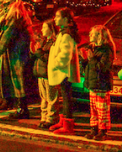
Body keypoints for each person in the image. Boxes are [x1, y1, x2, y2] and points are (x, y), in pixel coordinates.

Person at [0, 0, 34, 120]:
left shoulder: (15, 14)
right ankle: (20, 108)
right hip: (16, 51)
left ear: (14, 1)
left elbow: (8, 34)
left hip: (17, 52)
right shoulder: (11, 13)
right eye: (4, 2)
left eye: (8, 2)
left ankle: (22, 109)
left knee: (18, 80)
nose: (5, 4)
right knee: (17, 79)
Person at [48, 8, 80, 136]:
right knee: (64, 97)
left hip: (64, 72)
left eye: (57, 16)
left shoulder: (66, 35)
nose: (54, 19)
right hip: (62, 72)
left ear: (65, 19)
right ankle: (63, 121)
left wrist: (54, 64)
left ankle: (68, 125)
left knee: (66, 98)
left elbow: (65, 56)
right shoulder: (63, 33)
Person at [81, 25, 114, 141]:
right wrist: (83, 60)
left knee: (102, 109)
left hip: (101, 84)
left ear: (99, 35)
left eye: (92, 34)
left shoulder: (106, 50)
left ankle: (103, 131)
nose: (89, 36)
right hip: (93, 84)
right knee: (93, 109)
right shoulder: (93, 48)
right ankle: (94, 129)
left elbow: (103, 68)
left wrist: (92, 58)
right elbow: (90, 66)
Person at [33, 19, 58, 129]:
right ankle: (44, 117)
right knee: (43, 97)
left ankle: (51, 119)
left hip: (49, 74)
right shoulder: (44, 41)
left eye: (44, 27)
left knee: (51, 97)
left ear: (51, 29)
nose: (42, 29)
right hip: (41, 73)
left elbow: (48, 59)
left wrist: (38, 51)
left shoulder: (53, 42)